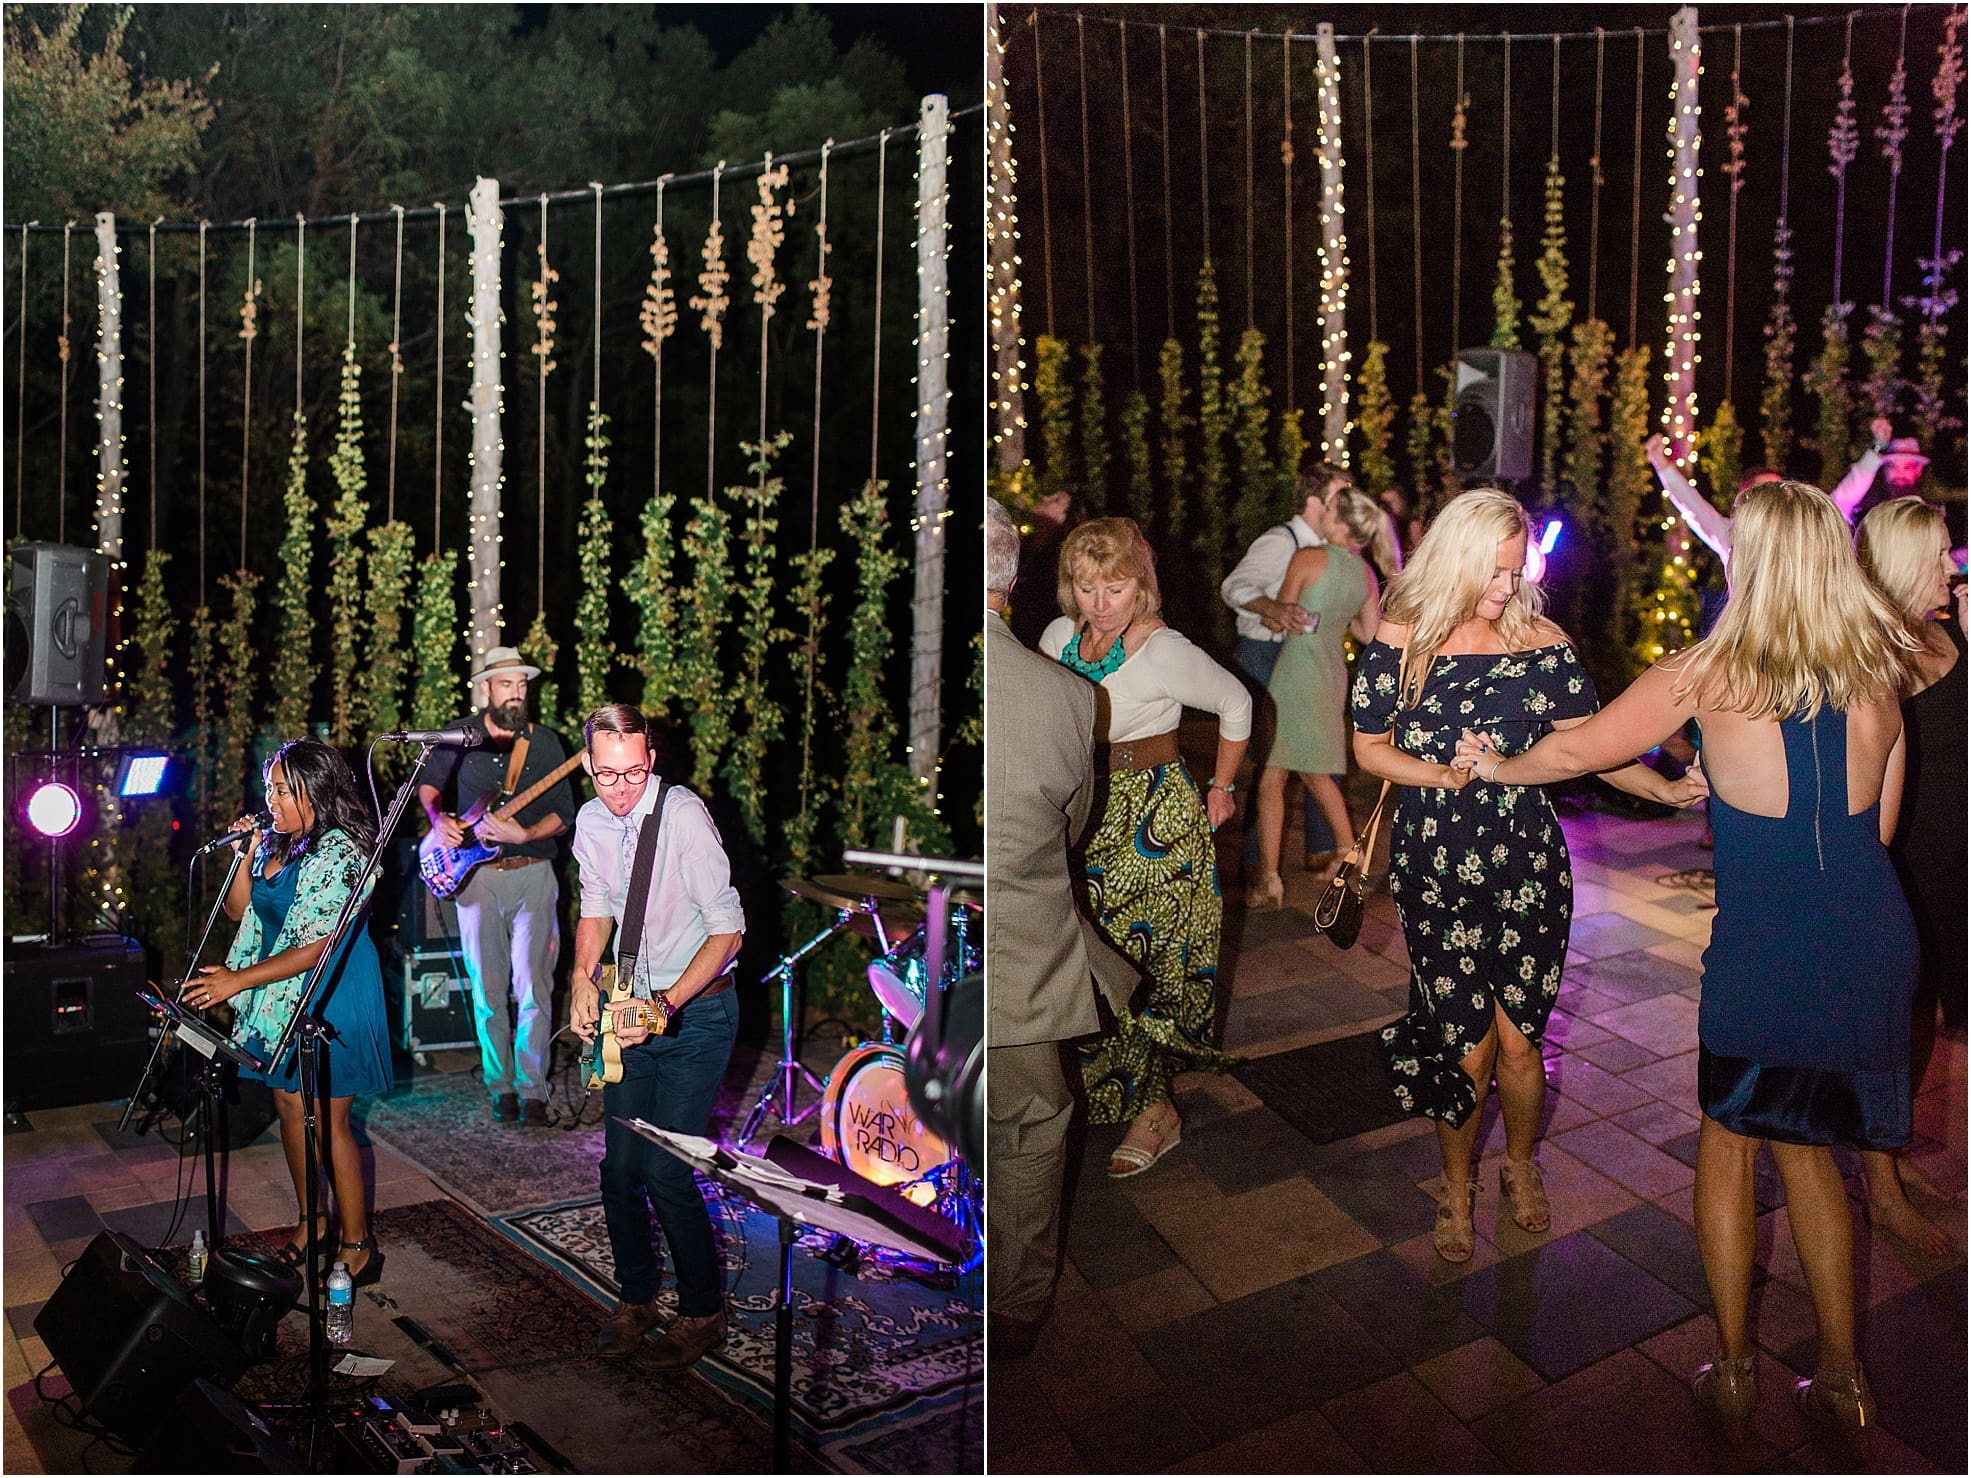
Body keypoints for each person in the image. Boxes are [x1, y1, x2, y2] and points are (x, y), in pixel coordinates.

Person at [1453, 480, 1921, 1437]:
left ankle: (1738, 1370)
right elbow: (1876, 827)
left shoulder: (1704, 675)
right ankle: (1843, 1381)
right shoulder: (1879, 680)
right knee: (1810, 1151)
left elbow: (1575, 749)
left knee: (1728, 1137)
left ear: (1746, 562)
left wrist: (1491, 762)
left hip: (1769, 947)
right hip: (1871, 939)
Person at [1351, 488, 1705, 1265]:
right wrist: (1438, 775)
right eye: (1492, 573)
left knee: (1519, 1045)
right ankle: (1454, 1187)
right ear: (1455, 560)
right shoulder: (1404, 637)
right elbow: (1368, 746)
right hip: (1434, 861)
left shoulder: (1539, 640)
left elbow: (1594, 748)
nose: (1505, 589)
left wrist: (1666, 789)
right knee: (1465, 1047)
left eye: (1515, 572)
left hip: (1526, 861)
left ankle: (1518, 1164)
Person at [1039, 517, 1251, 1176]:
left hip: (1152, 819)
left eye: (1115, 587)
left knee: (1139, 966)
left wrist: (1221, 785)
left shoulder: (1162, 650)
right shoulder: (1053, 638)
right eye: (1086, 586)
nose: (1100, 602)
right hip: (1077, 816)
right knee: (1085, 962)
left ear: (1139, 586)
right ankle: (1111, 1093)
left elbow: (1236, 702)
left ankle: (1155, 1111)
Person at [984, 499, 1137, 1356]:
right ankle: (1014, 1304)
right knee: (1030, 1122)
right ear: (1013, 582)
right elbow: (1069, 829)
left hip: (927, 948)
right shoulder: (1071, 698)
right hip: (1019, 952)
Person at [570, 702, 743, 1365]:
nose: (621, 790)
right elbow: (596, 905)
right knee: (619, 1168)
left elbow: (729, 931)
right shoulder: (590, 819)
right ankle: (636, 1298)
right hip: (630, 1005)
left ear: (651, 761)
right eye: (608, 775)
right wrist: (584, 978)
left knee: (668, 1171)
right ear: (588, 764)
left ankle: (703, 1312)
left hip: (696, 1013)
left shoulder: (683, 818)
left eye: (635, 773)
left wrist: (667, 1003)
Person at [190, 738, 393, 1286]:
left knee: (328, 1120)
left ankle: (358, 1242)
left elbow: (320, 943)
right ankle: (312, 1222)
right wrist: (244, 854)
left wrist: (236, 981)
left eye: (282, 789)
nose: (270, 798)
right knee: (287, 1104)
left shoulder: (342, 849)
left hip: (333, 989)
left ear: (314, 790)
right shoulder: (280, 842)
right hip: (282, 990)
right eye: (269, 788)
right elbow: (239, 909)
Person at [1854, 496, 1966, 1256]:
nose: (1952, 569)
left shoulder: (1951, 633)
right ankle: (1879, 1186)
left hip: (1956, 861)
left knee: (1926, 1018)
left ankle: (1884, 1156)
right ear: (1900, 564)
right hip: (1901, 862)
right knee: (1889, 1023)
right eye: (1938, 557)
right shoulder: (1869, 656)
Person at [419, 646, 578, 1125]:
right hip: (476, 877)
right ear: (486, 688)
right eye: (507, 684)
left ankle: (533, 1091)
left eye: (522, 685)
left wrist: (525, 833)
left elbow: (564, 815)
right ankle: (500, 1087)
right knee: (487, 990)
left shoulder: (546, 742)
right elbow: (429, 784)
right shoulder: (460, 736)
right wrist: (436, 818)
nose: (516, 693)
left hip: (533, 874)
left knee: (535, 987)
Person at [1249, 491, 1386, 909]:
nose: (1322, 515)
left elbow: (1280, 615)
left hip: (1297, 671)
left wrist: (1262, 606)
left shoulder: (1309, 557)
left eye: (1328, 511)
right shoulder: (1364, 573)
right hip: (1330, 675)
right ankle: (1346, 856)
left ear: (1341, 524)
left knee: (1279, 773)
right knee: (1311, 772)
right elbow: (1369, 635)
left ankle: (1273, 878)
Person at [1221, 464, 1351, 869]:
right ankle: (1262, 863)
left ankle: (1316, 850)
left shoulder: (1330, 547)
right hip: (1261, 657)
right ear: (1314, 502)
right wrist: (1275, 608)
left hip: (1297, 658)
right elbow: (1233, 587)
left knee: (1313, 759)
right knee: (1279, 761)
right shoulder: (1282, 541)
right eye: (1339, 497)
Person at [1008, 487, 1080, 649]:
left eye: (1055, 501)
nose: (1044, 500)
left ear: (1064, 516)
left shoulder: (1061, 552)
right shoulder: (1026, 544)